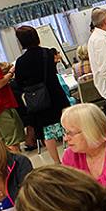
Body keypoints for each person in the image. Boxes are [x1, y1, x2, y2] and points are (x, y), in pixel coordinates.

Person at [13, 26, 65, 163]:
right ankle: (73, 154)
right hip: (56, 94)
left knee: (47, 133)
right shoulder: (48, 53)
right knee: (67, 125)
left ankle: (57, 161)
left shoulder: (20, 62)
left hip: (38, 101)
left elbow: (19, 84)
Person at [61, 103, 106, 197]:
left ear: (90, 130)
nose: (65, 139)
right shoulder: (70, 154)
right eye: (65, 132)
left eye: (70, 133)